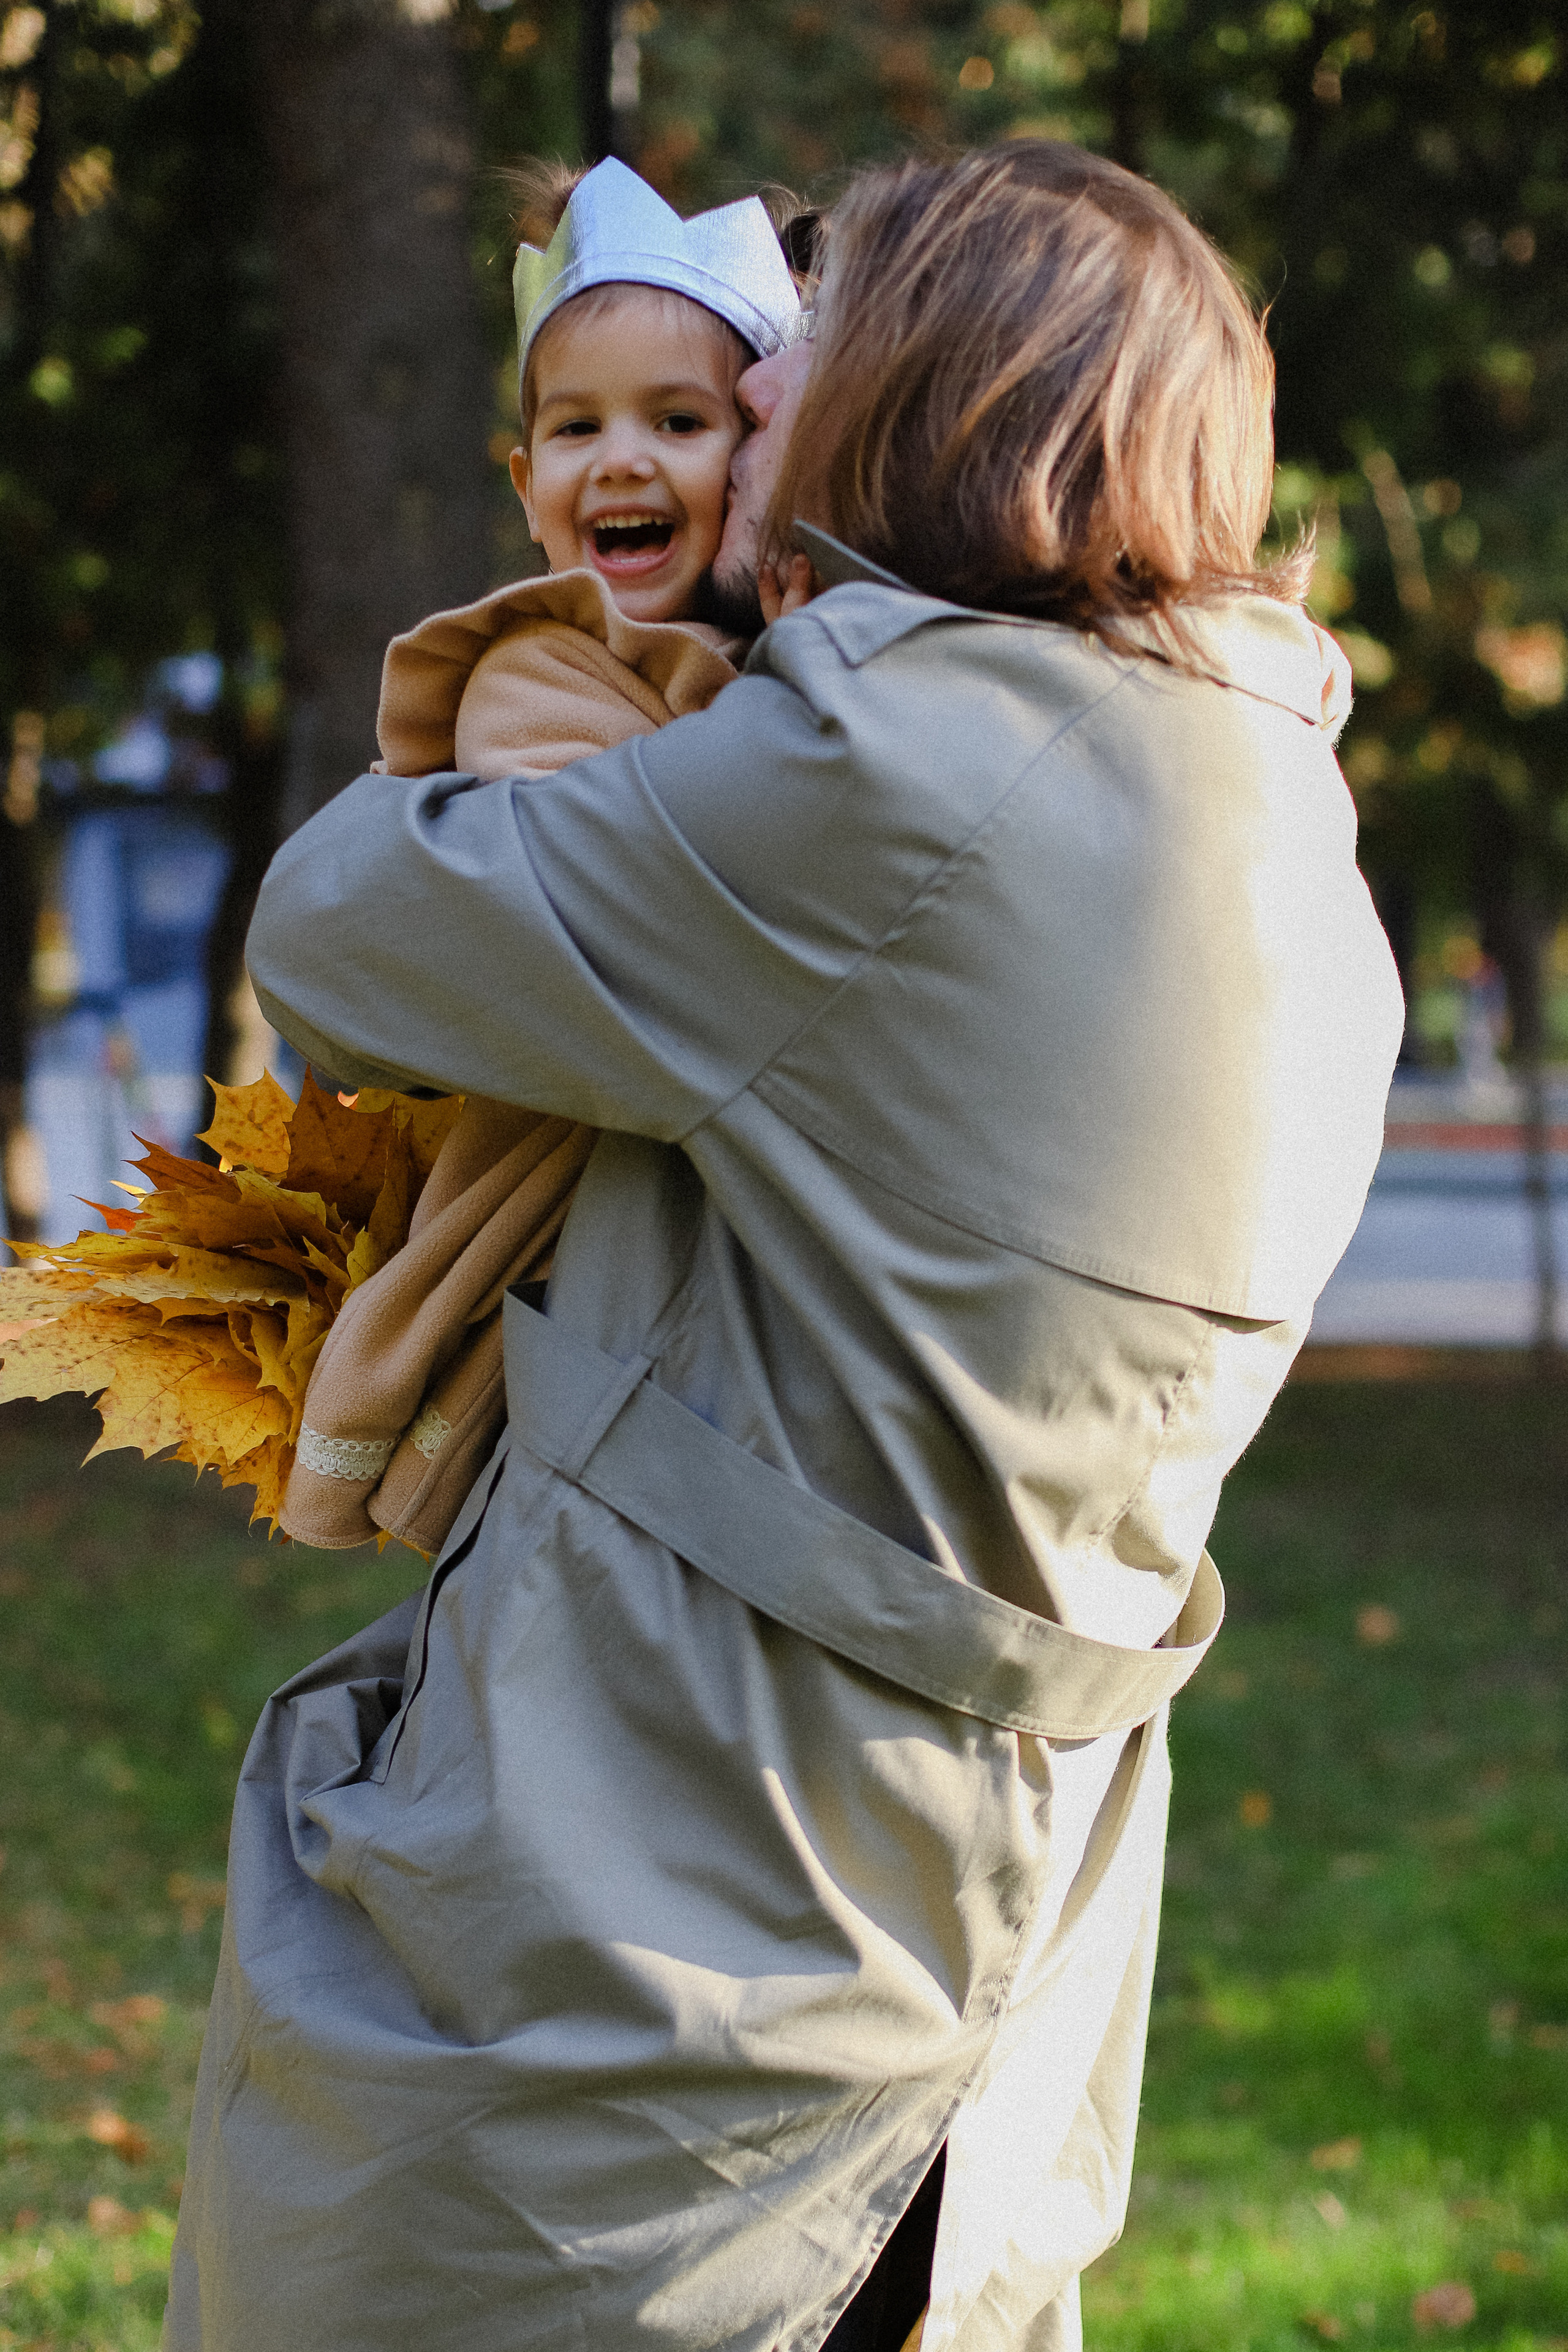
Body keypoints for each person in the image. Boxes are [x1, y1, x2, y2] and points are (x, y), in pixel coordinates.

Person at [167, 141, 1403, 2352]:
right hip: (976, 1911)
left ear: (935, 384)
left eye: (791, 348)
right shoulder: (1274, 780)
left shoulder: (901, 761)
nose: (745, 389)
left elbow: (345, 933)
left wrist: (571, 679)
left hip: (679, 1896)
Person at [280, 157, 807, 1552]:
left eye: (677, 420)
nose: (619, 459)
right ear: (526, 485)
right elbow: (608, 897)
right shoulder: (543, 671)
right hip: (573, 1152)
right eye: (575, 430)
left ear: (758, 466)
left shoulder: (769, 661)